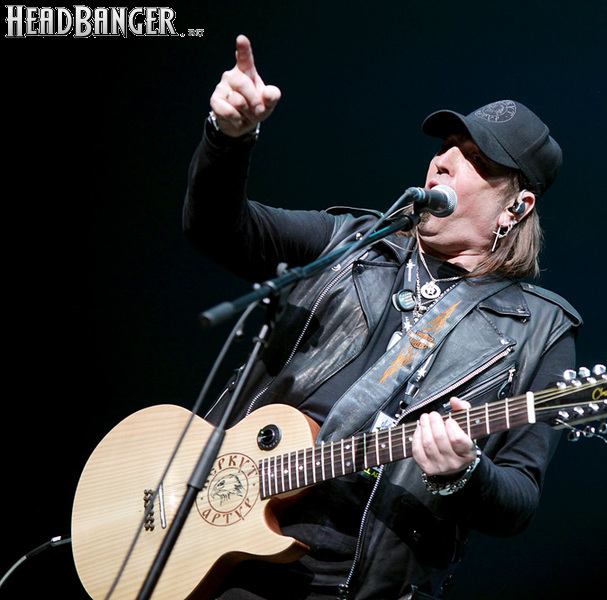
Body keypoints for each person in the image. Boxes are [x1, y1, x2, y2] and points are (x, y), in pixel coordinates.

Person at [183, 35, 581, 600]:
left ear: (516, 206)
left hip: (350, 583)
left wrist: (465, 473)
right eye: (446, 145)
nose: (442, 161)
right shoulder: (350, 243)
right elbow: (217, 228)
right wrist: (228, 138)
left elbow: (518, 498)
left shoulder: (540, 331)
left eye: (474, 159)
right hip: (219, 533)